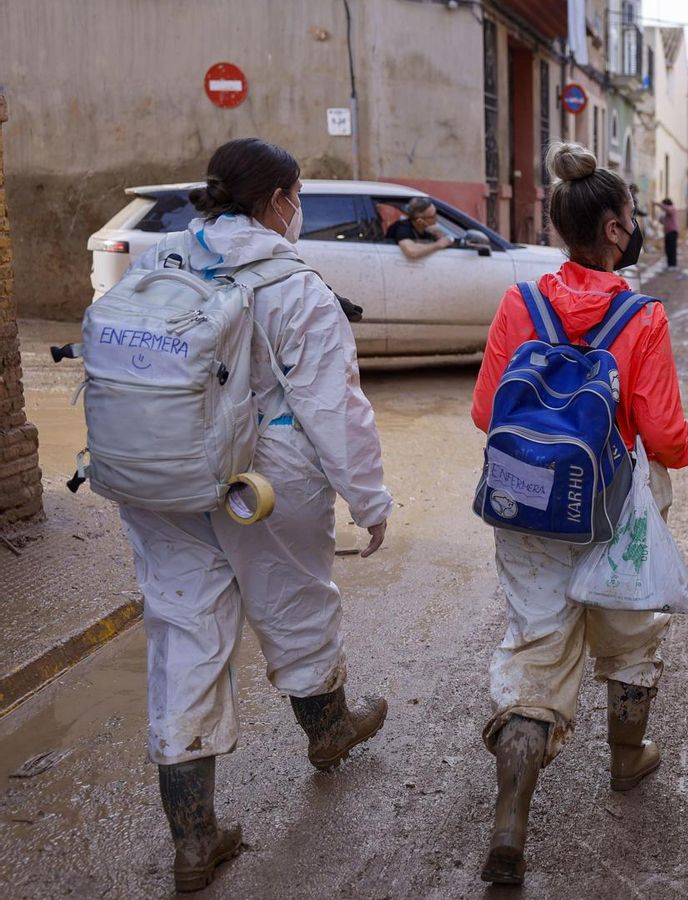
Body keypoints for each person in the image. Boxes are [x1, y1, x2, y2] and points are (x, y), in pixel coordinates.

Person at [118, 138, 391, 892]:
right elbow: (334, 410)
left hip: (158, 475)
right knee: (297, 601)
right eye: (295, 197)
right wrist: (369, 502)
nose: (296, 211)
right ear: (278, 201)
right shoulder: (294, 284)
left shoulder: (159, 258)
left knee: (184, 634)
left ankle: (195, 839)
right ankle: (329, 731)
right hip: (262, 481)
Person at [471, 142, 688, 885]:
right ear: (610, 228)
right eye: (629, 217)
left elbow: (484, 410)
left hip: (524, 500)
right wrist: (684, 449)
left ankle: (511, 819)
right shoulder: (641, 316)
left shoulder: (519, 303)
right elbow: (663, 436)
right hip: (610, 503)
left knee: (536, 649)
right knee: (631, 633)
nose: (632, 227)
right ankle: (627, 761)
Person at [387, 196, 454, 261]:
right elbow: (412, 252)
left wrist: (439, 235)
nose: (436, 218)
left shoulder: (427, 230)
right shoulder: (403, 229)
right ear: (420, 221)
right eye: (433, 216)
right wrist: (438, 244)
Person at [651, 197, 681, 272]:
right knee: (668, 249)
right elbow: (664, 221)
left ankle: (673, 265)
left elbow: (667, 208)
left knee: (672, 249)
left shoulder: (672, 209)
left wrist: (656, 203)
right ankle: (669, 265)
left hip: (672, 232)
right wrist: (661, 218)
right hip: (668, 233)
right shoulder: (667, 213)